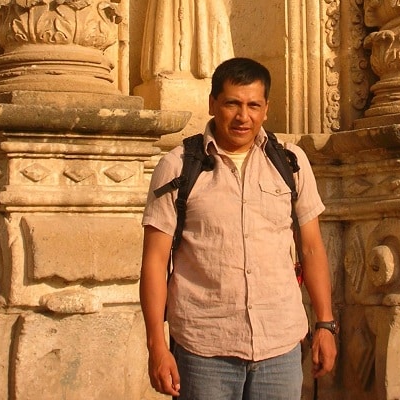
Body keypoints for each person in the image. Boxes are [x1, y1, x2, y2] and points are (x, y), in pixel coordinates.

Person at [140, 57, 337, 399]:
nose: (243, 116)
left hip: (280, 346)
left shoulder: (290, 162)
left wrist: (325, 324)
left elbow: (311, 247)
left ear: (266, 109)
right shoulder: (177, 167)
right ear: (212, 103)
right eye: (232, 103)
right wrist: (157, 346)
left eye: (253, 105)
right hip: (204, 349)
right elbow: (155, 262)